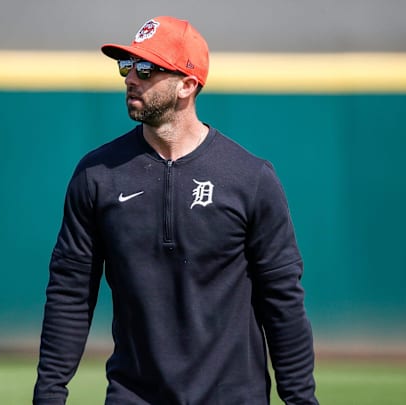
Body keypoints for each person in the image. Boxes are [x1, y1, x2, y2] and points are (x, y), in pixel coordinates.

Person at [33, 16, 318, 405]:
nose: (131, 78)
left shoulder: (251, 178)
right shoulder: (97, 175)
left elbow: (282, 298)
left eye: (147, 69)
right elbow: (70, 290)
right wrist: (49, 395)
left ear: (187, 84)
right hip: (134, 396)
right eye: (127, 66)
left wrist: (301, 399)